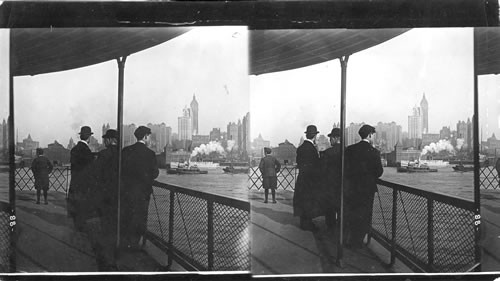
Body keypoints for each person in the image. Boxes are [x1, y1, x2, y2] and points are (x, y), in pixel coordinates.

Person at [344, 124, 383, 249]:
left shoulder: (350, 149)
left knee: (352, 212)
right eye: (373, 135)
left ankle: (349, 238)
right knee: (364, 215)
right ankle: (357, 241)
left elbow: (345, 168)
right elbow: (379, 172)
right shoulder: (374, 152)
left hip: (351, 188)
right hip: (367, 189)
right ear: (370, 135)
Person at [121, 125, 159, 250]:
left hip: (126, 191)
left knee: (127, 216)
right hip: (143, 193)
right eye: (149, 137)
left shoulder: (126, 151)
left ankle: (125, 243)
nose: (150, 140)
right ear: (145, 136)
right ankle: (135, 244)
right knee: (140, 218)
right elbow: (155, 173)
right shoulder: (150, 154)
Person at [88, 129, 120, 271]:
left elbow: (95, 174)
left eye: (105, 139)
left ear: (109, 140)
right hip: (120, 195)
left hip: (105, 196)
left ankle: (107, 260)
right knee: (117, 225)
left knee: (105, 226)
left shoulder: (103, 154)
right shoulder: (122, 154)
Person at [293, 125, 322, 231]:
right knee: (309, 201)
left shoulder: (300, 148)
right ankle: (308, 224)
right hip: (310, 179)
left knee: (302, 200)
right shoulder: (313, 150)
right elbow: (316, 165)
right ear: (314, 136)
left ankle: (303, 223)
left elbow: (299, 163)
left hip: (302, 178)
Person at [68, 126, 96, 231]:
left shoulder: (74, 149)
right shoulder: (87, 151)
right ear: (89, 137)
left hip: (75, 180)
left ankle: (77, 224)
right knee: (82, 203)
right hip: (84, 182)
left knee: (75, 203)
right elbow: (90, 168)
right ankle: (81, 225)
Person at [320, 128, 342, 229]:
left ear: (335, 138)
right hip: (344, 186)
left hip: (330, 186)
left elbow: (322, 171)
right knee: (341, 208)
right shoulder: (347, 151)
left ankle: (331, 229)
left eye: (331, 138)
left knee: (330, 209)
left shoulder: (327, 153)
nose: (330, 140)